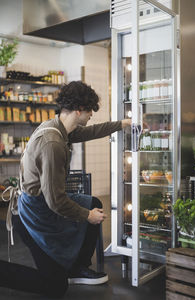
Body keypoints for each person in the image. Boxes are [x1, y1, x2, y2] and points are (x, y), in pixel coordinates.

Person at [0, 81, 131, 298]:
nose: (91, 115)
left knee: (93, 202)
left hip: (43, 201)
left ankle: (77, 268)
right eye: (89, 111)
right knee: (55, 287)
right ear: (79, 110)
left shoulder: (59, 127)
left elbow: (91, 131)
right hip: (34, 214)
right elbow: (56, 201)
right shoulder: (53, 143)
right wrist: (86, 215)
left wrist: (122, 124)